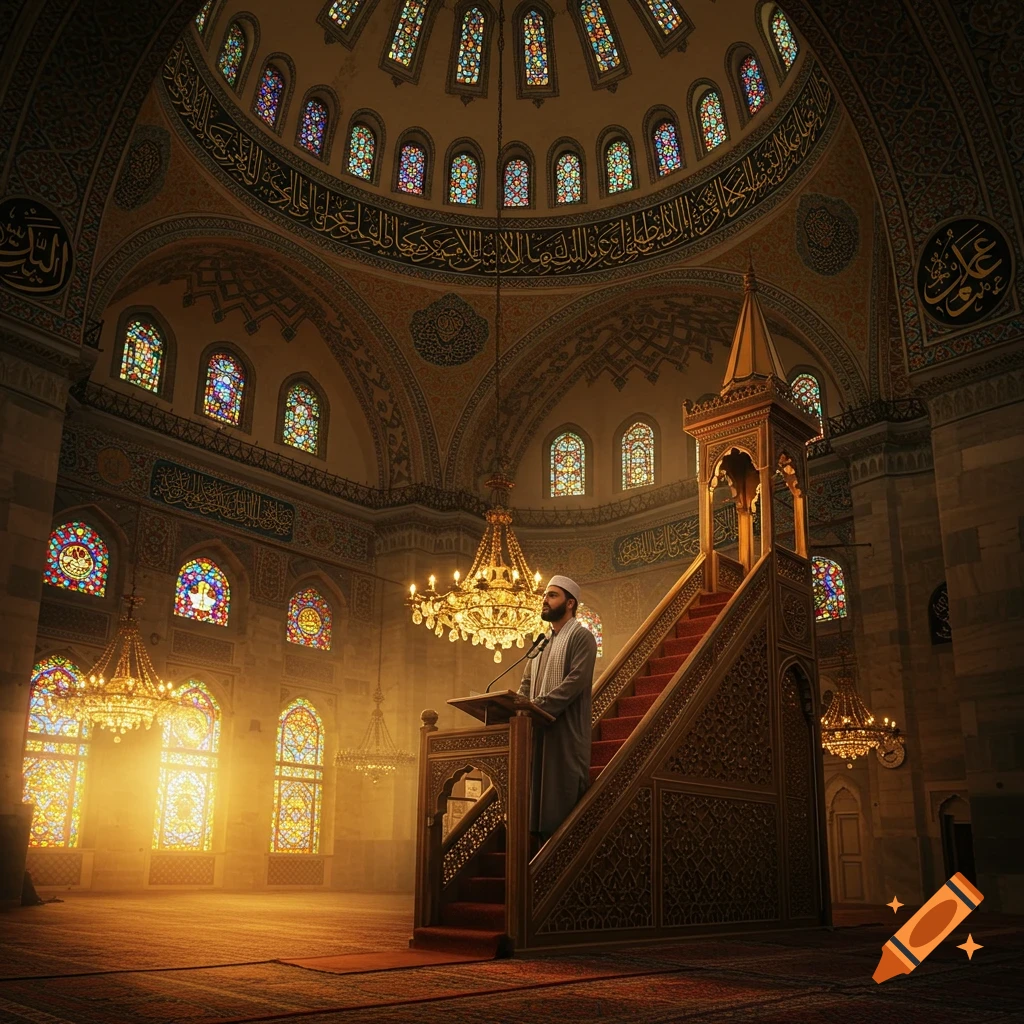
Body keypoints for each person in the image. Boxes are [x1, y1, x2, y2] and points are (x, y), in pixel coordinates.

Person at [516, 575, 598, 843]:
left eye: (552, 596)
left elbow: (576, 682)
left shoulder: (582, 637)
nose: (545, 600)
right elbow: (526, 684)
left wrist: (536, 707)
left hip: (565, 734)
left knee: (559, 803)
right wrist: (518, 706)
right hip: (537, 733)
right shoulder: (541, 642)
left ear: (570, 603)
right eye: (545, 596)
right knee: (534, 805)